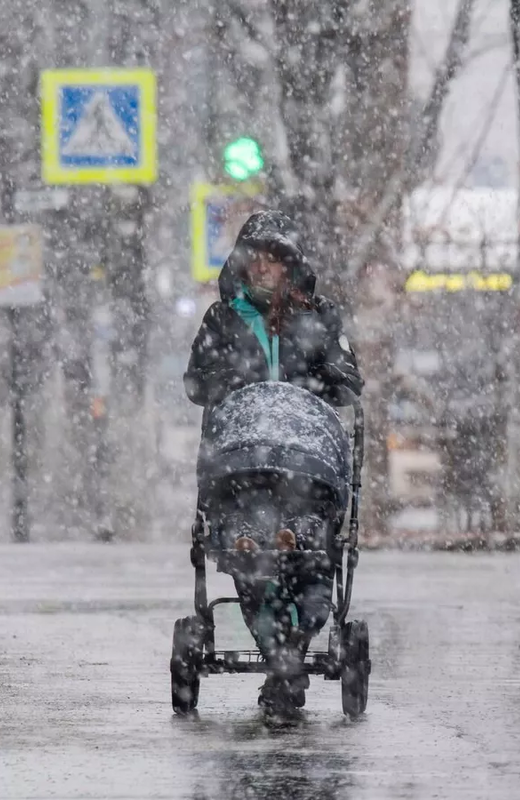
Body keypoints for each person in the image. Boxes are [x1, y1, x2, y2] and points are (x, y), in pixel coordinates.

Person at [183, 210, 363, 713]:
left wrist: (328, 372)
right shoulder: (222, 318)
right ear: (242, 264)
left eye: (275, 260)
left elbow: (350, 380)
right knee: (251, 556)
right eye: (255, 260)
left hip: (307, 464)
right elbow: (195, 382)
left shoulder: (319, 316)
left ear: (290, 266)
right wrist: (223, 376)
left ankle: (285, 657)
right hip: (245, 462)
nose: (264, 269)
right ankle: (283, 659)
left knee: (309, 557)